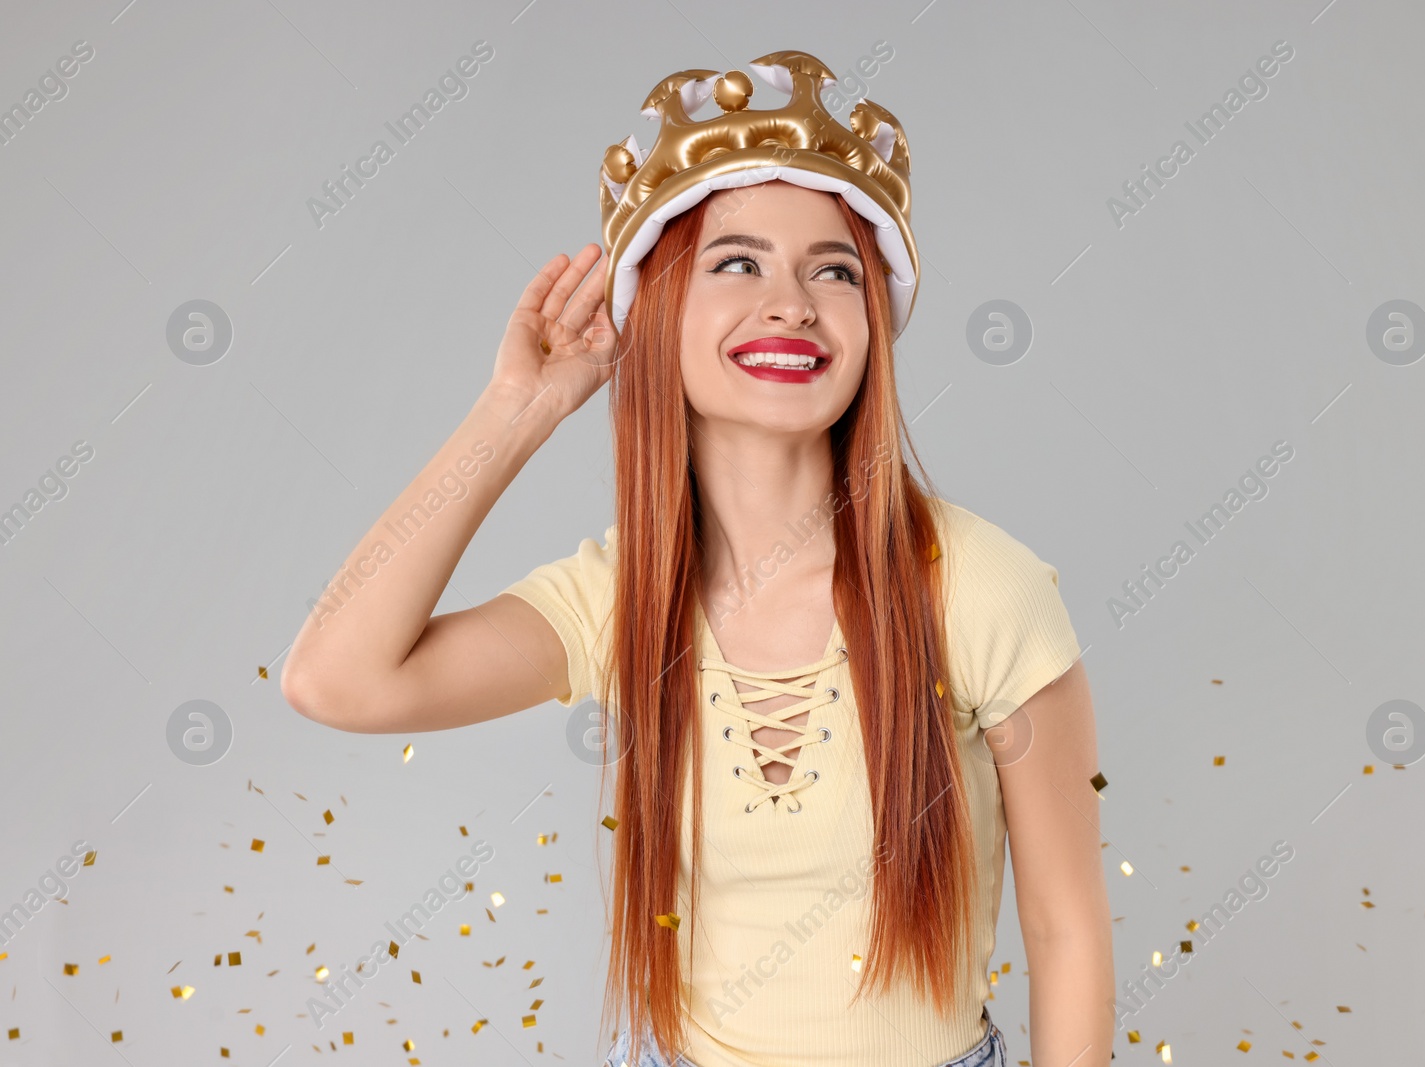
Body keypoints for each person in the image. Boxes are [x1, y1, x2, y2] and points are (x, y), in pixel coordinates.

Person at [282, 49, 1113, 1067]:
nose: (792, 302)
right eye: (737, 262)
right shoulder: (622, 597)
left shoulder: (983, 588)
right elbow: (338, 677)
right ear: (657, 311)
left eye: (834, 269)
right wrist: (518, 408)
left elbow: (1068, 933)